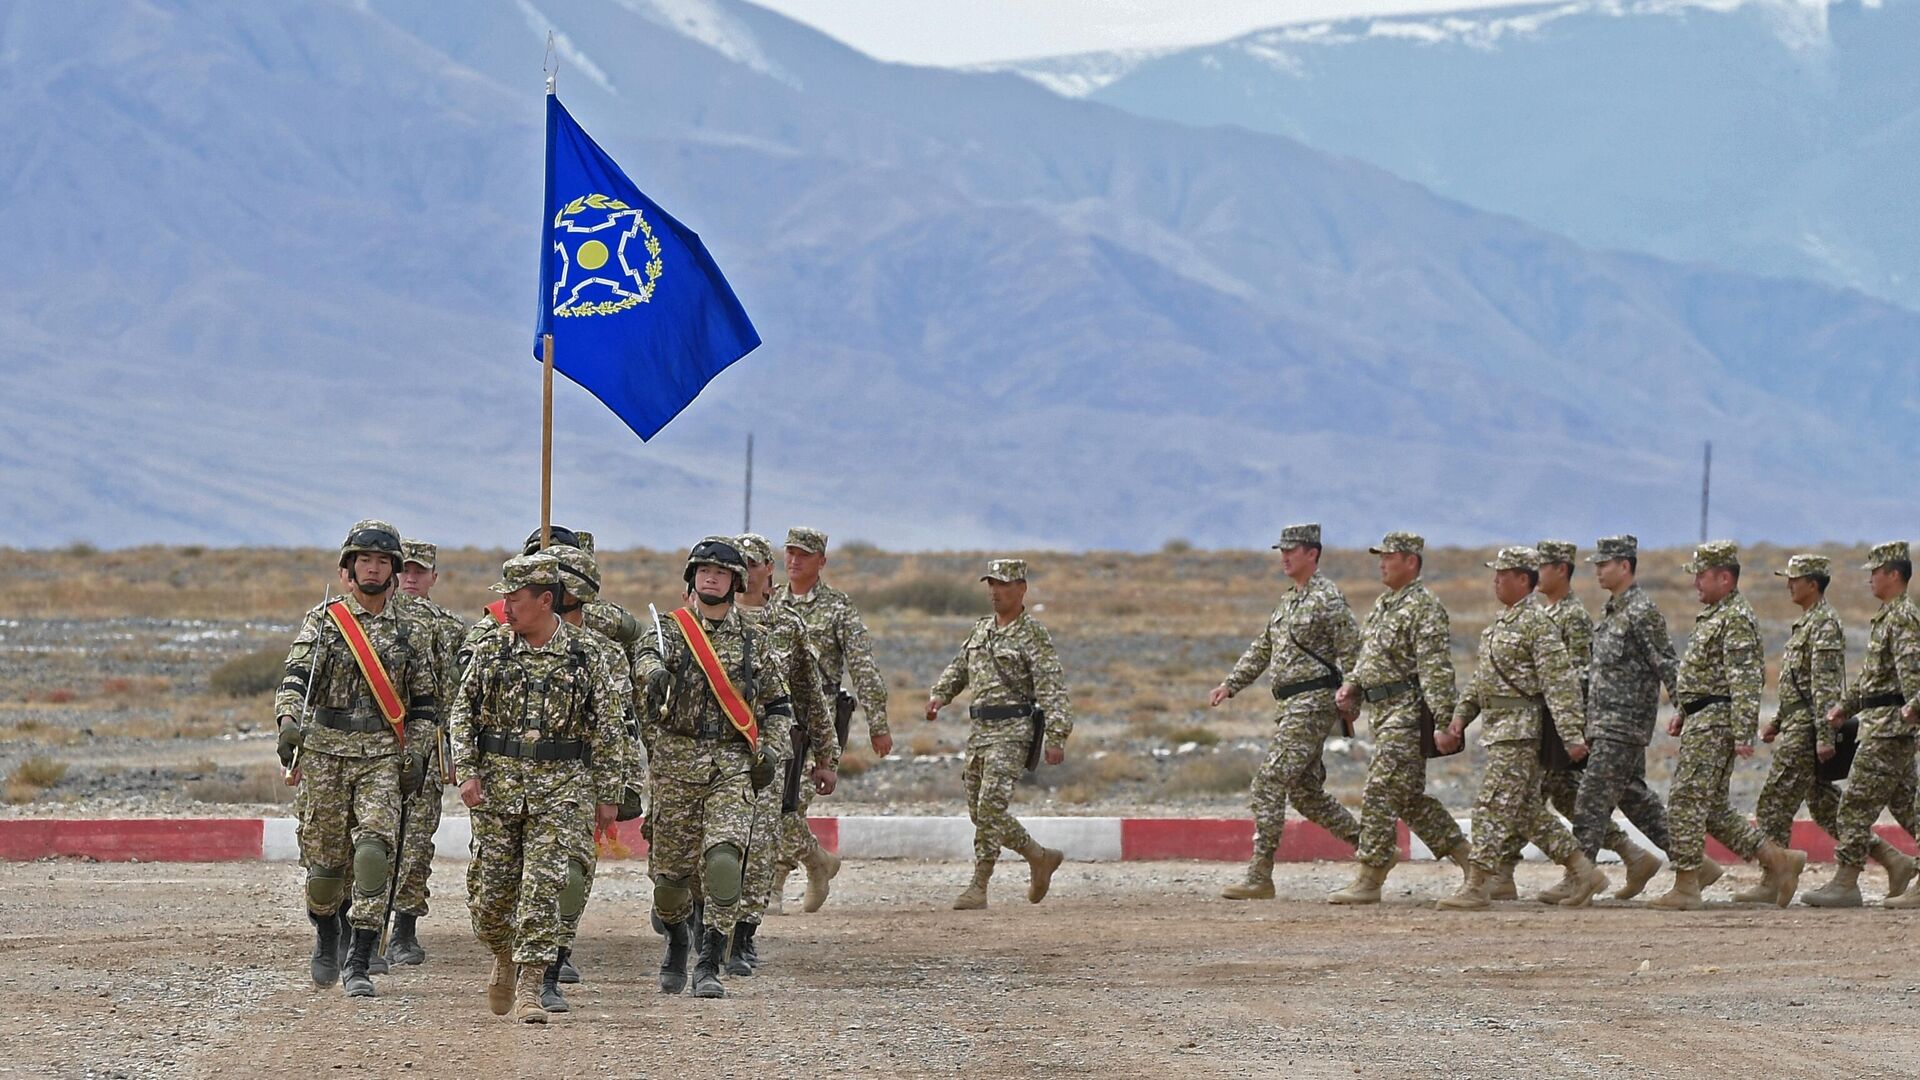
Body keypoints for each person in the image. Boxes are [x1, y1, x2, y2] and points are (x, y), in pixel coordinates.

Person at [450, 553, 624, 1023]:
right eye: (503, 594)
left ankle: (531, 985)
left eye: (515, 596)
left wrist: (610, 795)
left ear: (546, 600)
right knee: (490, 899)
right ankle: (504, 956)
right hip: (498, 787)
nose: (505, 604)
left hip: (561, 788)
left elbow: (608, 729)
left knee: (545, 887)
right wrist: (466, 770)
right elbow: (461, 712)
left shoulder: (588, 654)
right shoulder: (491, 649)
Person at [275, 519, 435, 998]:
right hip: (325, 752)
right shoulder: (324, 622)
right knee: (324, 871)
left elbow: (427, 702)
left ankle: (361, 958)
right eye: (364, 559)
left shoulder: (411, 627)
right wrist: (287, 724)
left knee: (373, 854)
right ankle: (327, 934)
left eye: (382, 561)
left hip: (383, 756)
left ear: (394, 569)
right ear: (349, 567)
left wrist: (418, 751)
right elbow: (295, 678)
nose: (373, 568)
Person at [636, 537, 790, 998]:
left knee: (724, 863)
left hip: (731, 763)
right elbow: (643, 662)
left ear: (735, 582)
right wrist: (652, 674)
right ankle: (678, 941)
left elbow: (779, 707)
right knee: (670, 881)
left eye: (720, 572)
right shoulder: (668, 630)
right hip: (676, 766)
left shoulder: (754, 641)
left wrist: (770, 752)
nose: (710, 577)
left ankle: (710, 961)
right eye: (702, 570)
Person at [1432, 547, 1608, 910]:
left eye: (1503, 574)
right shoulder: (1499, 625)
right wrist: (1461, 716)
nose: (1495, 580)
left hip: (1520, 733)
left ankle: (1478, 883)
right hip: (1498, 730)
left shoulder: (1537, 625)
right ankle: (1584, 871)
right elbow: (1482, 682)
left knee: (1490, 806)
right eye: (1495, 574)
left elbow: (1560, 683)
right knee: (1527, 812)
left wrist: (1572, 736)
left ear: (1524, 580)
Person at [1208, 523, 1362, 900]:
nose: (1285, 557)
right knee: (1306, 792)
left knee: (1270, 781)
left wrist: (1352, 697)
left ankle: (1260, 875)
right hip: (1289, 705)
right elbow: (1263, 647)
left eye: (1292, 550)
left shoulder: (1328, 598)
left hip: (1313, 704)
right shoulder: (1288, 600)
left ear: (1313, 553)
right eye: (1282, 551)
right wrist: (1231, 684)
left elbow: (1354, 651)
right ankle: (1373, 847)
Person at [1649, 541, 1804, 910]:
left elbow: (1745, 679)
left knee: (1685, 802)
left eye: (1701, 576)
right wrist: (1684, 711)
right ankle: (1778, 861)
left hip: (1716, 724)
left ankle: (1687, 884)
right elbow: (1707, 675)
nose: (1696, 583)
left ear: (1725, 577)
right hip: (1703, 719)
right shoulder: (1716, 614)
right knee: (1714, 810)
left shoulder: (1735, 617)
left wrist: (1743, 732)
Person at [1510, 540, 1662, 904]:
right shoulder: (1555, 612)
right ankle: (1633, 856)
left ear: (1561, 569)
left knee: (1551, 797)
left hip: (1581, 725)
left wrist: (1572, 729)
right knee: (1565, 796)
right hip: (1559, 724)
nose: (1535, 573)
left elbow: (1579, 677)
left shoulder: (1575, 617)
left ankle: (1581, 871)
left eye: (1542, 566)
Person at [1330, 532, 1469, 904]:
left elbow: (1436, 669)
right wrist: (1352, 685)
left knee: (1379, 789)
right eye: (1380, 556)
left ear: (1411, 561)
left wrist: (1443, 722)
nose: (1381, 563)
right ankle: (1477, 865)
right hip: (1383, 713)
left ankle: (1370, 875)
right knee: (1408, 799)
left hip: (1408, 713)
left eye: (1389, 556)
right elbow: (1370, 657)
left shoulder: (1424, 607)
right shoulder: (1384, 605)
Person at [926, 559, 1071, 910]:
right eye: (991, 584)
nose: (995, 591)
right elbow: (960, 667)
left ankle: (979, 884)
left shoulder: (1033, 634)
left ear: (1021, 588)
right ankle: (1039, 856)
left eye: (1003, 584)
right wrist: (940, 695)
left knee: (991, 806)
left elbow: (1052, 687)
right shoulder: (981, 630)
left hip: (1014, 730)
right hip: (980, 731)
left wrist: (1056, 735)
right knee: (979, 812)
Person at [1568, 535, 1697, 899]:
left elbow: (1666, 662)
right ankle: (1696, 863)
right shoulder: (1613, 611)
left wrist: (1683, 708)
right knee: (1635, 798)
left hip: (1623, 724)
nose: (1597, 571)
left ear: (1625, 566)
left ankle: (1581, 877)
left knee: (1591, 799)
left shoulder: (1642, 611)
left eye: (1604, 564)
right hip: (1604, 722)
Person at [732, 533, 839, 969]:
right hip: (715, 749)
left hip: (772, 746)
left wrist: (827, 756)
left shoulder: (787, 625)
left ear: (767, 568)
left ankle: (744, 933)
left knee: (764, 836)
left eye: (751, 563)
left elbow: (810, 695)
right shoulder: (707, 622)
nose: (743, 571)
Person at [770, 526, 890, 913]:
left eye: (803, 554)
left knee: (790, 805)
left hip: (816, 723)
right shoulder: (771, 604)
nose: (794, 560)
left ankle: (773, 887)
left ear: (821, 561)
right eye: (789, 552)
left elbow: (863, 667)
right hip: (774, 718)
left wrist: (878, 723)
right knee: (774, 803)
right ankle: (818, 862)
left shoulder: (838, 609)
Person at [1804, 542, 1920, 908]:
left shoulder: (1901, 617)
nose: (1869, 578)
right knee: (1909, 808)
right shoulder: (1888, 616)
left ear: (1894, 575)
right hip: (1880, 724)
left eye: (1875, 571)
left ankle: (1846, 882)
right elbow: (1874, 679)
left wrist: (1914, 707)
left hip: (1889, 729)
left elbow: (1912, 672)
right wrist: (1845, 707)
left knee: (1853, 806)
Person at [385, 539, 467, 967]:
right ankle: (362, 925)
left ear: (434, 577)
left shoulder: (450, 628)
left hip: (428, 748)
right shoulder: (370, 623)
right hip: (375, 743)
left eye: (420, 571)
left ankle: (404, 929)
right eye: (406, 570)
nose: (411, 578)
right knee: (372, 837)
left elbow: (462, 691)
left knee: (415, 841)